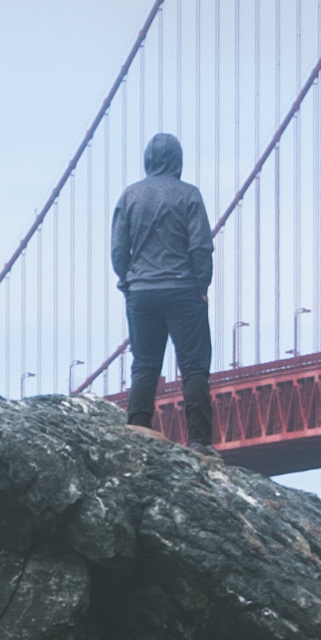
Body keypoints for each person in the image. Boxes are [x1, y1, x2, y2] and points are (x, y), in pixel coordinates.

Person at [110, 132, 215, 449]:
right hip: (183, 289)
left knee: (144, 364)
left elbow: (118, 251)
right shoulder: (189, 196)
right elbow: (201, 247)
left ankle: (138, 429)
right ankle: (198, 441)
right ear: (178, 161)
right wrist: (201, 286)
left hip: (142, 293)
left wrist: (129, 283)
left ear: (147, 160)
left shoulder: (128, 197)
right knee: (194, 367)